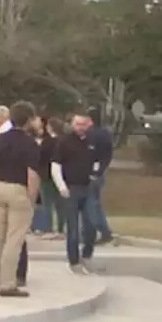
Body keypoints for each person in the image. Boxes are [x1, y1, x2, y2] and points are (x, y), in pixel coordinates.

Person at [0, 101, 40, 298]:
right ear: (29, 120)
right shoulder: (30, 144)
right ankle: (7, 283)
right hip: (19, 188)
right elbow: (32, 173)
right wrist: (31, 198)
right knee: (14, 239)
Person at [54, 114, 102, 274]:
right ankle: (74, 261)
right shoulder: (64, 142)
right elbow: (55, 165)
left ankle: (87, 256)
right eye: (77, 124)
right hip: (71, 188)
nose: (80, 127)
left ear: (88, 124)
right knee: (73, 228)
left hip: (87, 187)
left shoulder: (91, 141)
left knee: (92, 223)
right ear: (72, 124)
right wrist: (61, 186)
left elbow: (97, 160)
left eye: (83, 124)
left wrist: (95, 173)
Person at [77, 113, 116, 245]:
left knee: (88, 205)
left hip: (89, 174)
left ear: (90, 121)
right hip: (99, 174)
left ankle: (90, 233)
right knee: (95, 203)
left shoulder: (90, 136)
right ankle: (105, 232)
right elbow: (108, 155)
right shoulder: (106, 134)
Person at [31, 118, 61, 239]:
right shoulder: (62, 140)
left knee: (47, 203)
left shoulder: (47, 142)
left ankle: (47, 228)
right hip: (59, 176)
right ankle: (60, 228)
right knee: (59, 204)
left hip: (46, 175)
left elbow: (40, 157)